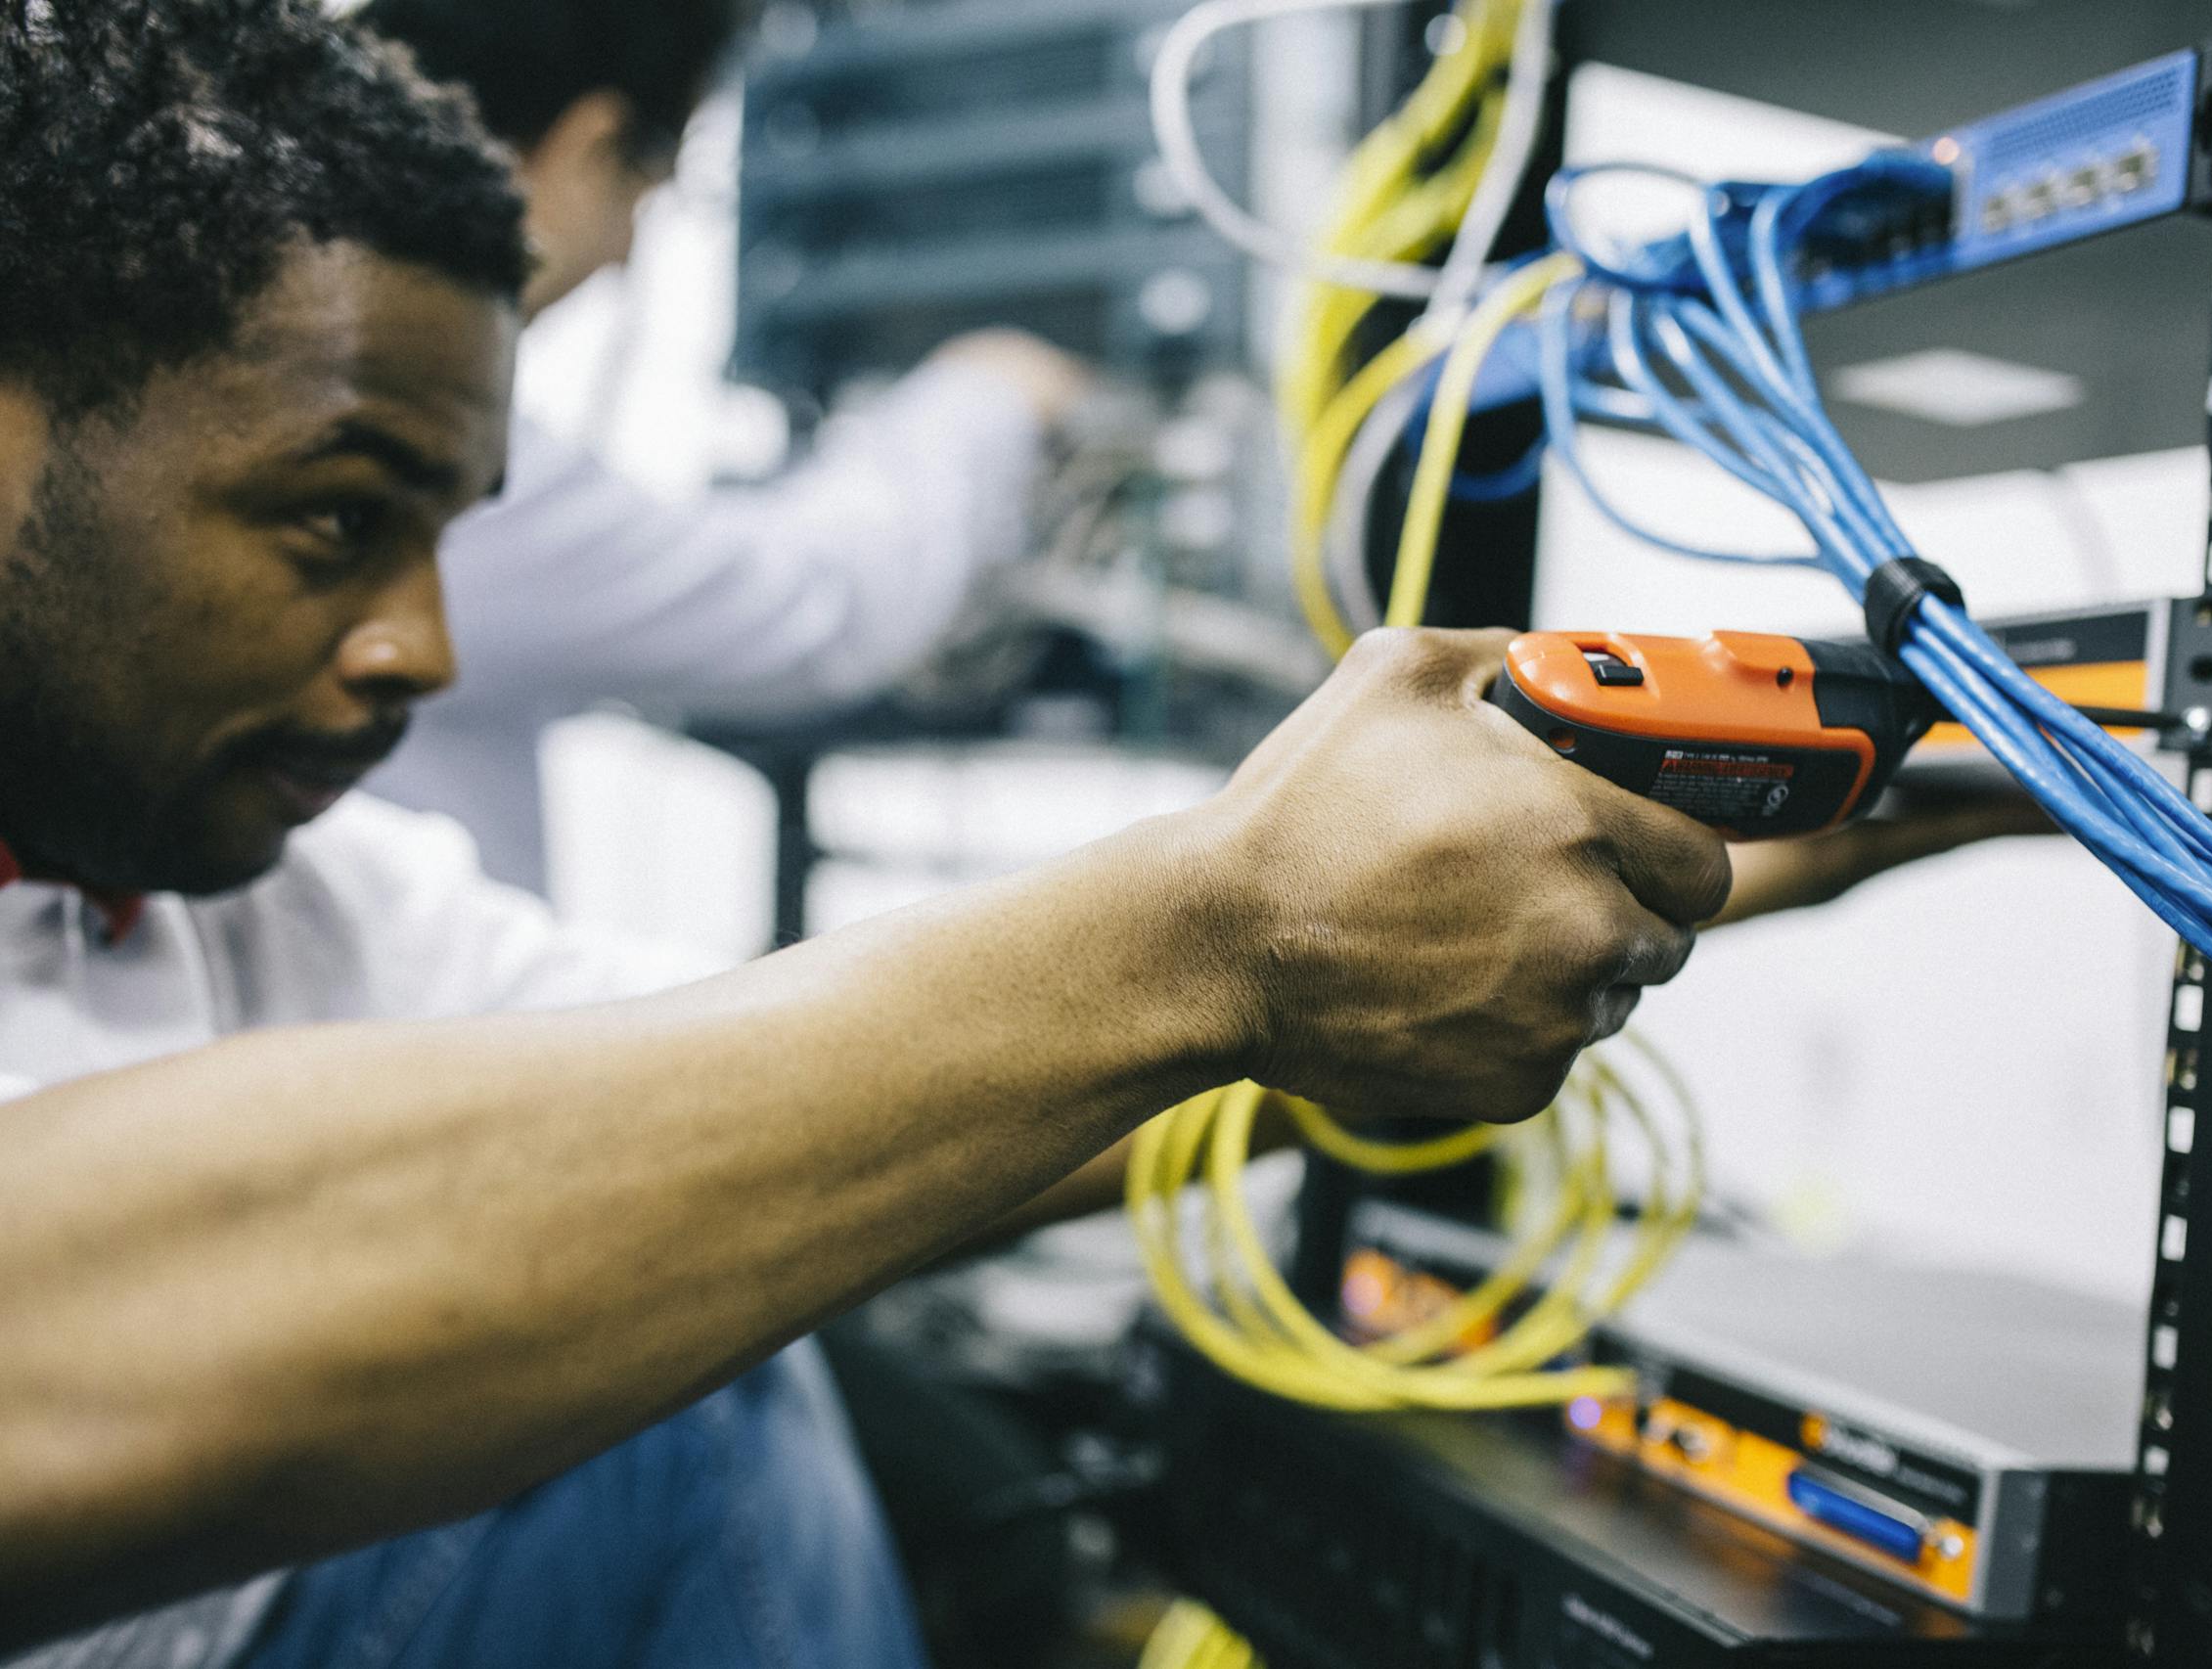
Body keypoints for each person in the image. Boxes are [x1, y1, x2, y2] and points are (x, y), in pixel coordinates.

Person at [0, 5, 1735, 1664]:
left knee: (684, 1319)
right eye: (333, 518)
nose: (423, 649)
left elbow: (775, 1075)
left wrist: (1453, 920)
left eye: (443, 539)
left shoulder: (264, 887)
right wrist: (1226, 931)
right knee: (676, 1384)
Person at [351, 0, 1095, 892]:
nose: (626, 255)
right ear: (593, 146)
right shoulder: (433, 454)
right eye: (643, 193)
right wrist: (991, 389)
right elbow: (814, 606)